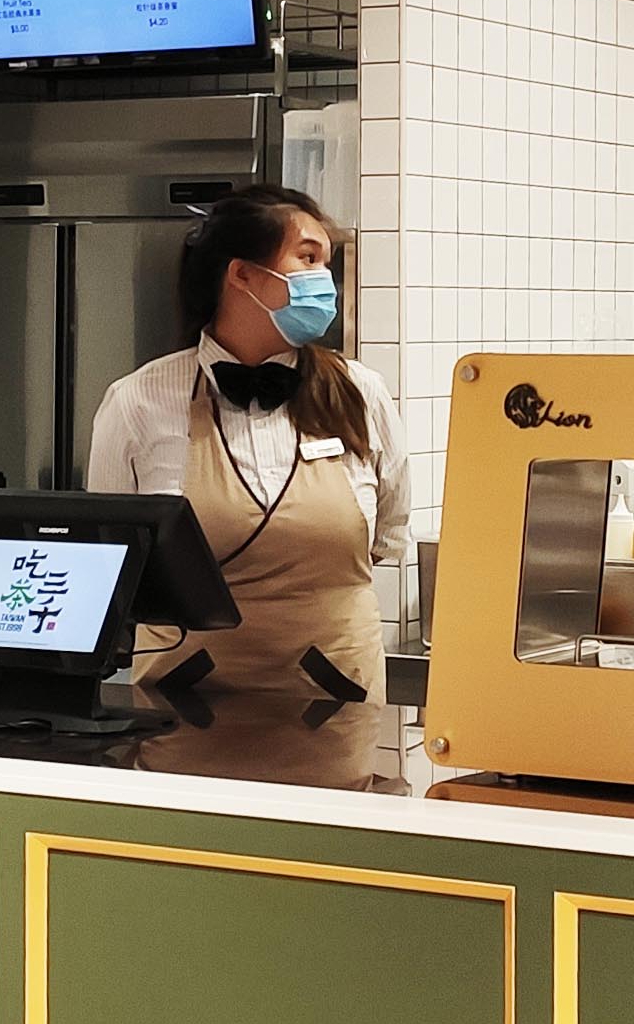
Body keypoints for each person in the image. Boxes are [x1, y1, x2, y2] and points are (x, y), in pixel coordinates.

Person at [86, 188, 409, 703]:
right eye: (307, 258)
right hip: (184, 702)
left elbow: (387, 534)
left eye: (326, 262)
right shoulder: (139, 402)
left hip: (334, 700)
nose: (323, 280)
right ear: (242, 276)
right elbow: (107, 557)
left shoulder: (360, 393)